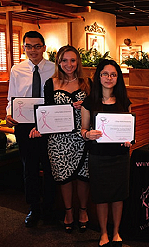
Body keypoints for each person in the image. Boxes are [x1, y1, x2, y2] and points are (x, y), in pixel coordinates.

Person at [29, 45, 91, 233]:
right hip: (58, 140)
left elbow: (97, 107)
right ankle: (69, 212)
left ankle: (83, 211)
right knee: (63, 178)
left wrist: (85, 105)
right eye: (64, 60)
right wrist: (38, 126)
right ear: (58, 62)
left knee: (83, 177)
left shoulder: (87, 82)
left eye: (72, 60)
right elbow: (46, 110)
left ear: (78, 61)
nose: (69, 64)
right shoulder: (51, 83)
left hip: (82, 136)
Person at [6, 31, 56, 227]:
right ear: (24, 47)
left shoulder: (54, 68)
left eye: (37, 46)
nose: (33, 50)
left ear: (44, 47)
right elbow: (12, 97)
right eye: (28, 46)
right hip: (24, 124)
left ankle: (49, 209)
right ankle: (34, 208)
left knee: (50, 167)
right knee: (30, 169)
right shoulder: (16, 70)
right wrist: (9, 114)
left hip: (48, 123)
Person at [81, 59, 132, 247]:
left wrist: (129, 140)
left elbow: (129, 131)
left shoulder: (124, 101)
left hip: (120, 156)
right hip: (98, 155)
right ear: (99, 76)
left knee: (118, 196)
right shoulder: (89, 102)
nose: (109, 78)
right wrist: (88, 134)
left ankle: (116, 232)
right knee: (101, 196)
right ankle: (103, 233)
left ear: (118, 78)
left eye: (113, 75)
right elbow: (83, 130)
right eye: (105, 74)